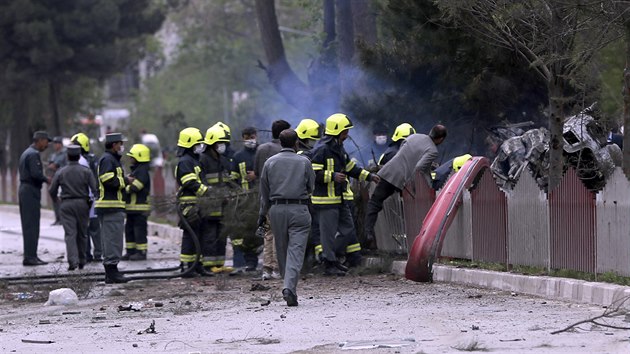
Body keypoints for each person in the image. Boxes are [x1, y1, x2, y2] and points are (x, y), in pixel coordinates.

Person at [311, 114, 380, 275]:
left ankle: (328, 258)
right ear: (336, 131)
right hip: (325, 201)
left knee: (348, 230)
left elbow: (350, 168)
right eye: (345, 131)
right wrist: (332, 176)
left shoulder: (338, 148)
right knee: (327, 235)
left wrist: (370, 176)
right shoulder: (321, 149)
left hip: (340, 198)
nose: (347, 135)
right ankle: (329, 264)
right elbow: (312, 173)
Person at [259, 129, 314, 306]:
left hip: (276, 210)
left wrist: (262, 214)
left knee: (281, 250)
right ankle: (289, 287)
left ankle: (288, 285)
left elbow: (264, 192)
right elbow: (310, 186)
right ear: (296, 143)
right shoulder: (304, 162)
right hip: (299, 209)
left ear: (281, 143)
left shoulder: (269, 163)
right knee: (296, 251)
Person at [364, 125, 447, 241]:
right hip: (403, 180)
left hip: (389, 172)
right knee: (409, 209)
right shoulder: (433, 150)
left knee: (375, 202)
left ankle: (367, 233)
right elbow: (419, 167)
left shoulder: (414, 137)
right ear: (441, 139)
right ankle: (414, 238)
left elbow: (403, 148)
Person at [48, 145, 99, 270]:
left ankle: (72, 262)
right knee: (82, 233)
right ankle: (82, 260)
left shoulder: (61, 171)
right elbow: (95, 189)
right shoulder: (86, 171)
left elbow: (52, 189)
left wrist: (56, 199)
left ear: (67, 156)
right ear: (79, 156)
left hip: (66, 204)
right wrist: (91, 203)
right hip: (83, 204)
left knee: (70, 234)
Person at [254, 119, 291, 280]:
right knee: (279, 233)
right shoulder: (285, 152)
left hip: (264, 196)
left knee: (268, 233)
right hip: (280, 197)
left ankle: (266, 268)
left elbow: (256, 172)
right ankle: (277, 267)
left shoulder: (261, 149)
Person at [199, 125, 234, 274]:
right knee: (209, 236)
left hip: (224, 206)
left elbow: (229, 181)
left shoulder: (224, 161)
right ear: (212, 143)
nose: (223, 146)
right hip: (209, 206)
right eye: (220, 143)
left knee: (221, 235)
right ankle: (208, 265)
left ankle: (219, 265)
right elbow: (201, 182)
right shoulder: (203, 160)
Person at [175, 127, 209, 277]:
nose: (200, 146)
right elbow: (189, 183)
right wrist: (205, 191)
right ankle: (187, 267)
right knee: (190, 234)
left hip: (199, 204)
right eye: (198, 144)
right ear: (189, 144)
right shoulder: (185, 162)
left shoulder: (194, 161)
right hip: (189, 204)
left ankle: (197, 265)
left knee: (200, 234)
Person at [95, 133, 130, 283]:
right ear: (114, 144)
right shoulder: (108, 159)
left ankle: (112, 272)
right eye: (120, 144)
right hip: (111, 206)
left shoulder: (110, 159)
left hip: (113, 206)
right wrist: (126, 180)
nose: (121, 146)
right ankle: (111, 271)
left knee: (112, 239)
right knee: (112, 240)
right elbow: (108, 179)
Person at [230, 126, 261, 274]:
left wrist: (257, 175)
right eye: (247, 137)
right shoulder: (238, 156)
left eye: (252, 136)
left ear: (257, 136)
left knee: (262, 230)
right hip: (245, 200)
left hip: (261, 199)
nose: (250, 139)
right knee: (248, 232)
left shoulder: (262, 152)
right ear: (243, 138)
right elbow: (233, 179)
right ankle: (250, 263)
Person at [19, 131, 52, 266]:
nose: (47, 144)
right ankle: (30, 257)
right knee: (31, 225)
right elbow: (35, 174)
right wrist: (47, 179)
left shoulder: (27, 152)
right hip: (30, 191)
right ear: (40, 140)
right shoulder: (33, 154)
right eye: (46, 141)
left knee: (29, 224)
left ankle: (31, 255)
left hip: (27, 190)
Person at [71, 132, 102, 262]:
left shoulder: (82, 161)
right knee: (90, 228)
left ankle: (91, 253)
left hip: (87, 197)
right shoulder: (92, 159)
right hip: (90, 197)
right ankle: (95, 253)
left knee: (89, 228)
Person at [122, 144, 152, 261]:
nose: (130, 159)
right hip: (132, 208)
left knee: (139, 230)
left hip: (140, 208)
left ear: (139, 157)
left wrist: (125, 188)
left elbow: (136, 187)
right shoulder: (136, 170)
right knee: (129, 229)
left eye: (132, 156)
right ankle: (130, 251)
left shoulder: (142, 171)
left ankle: (141, 252)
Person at [47, 136, 67, 226]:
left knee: (62, 199)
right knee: (55, 199)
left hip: (63, 178)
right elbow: (50, 165)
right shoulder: (53, 155)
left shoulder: (65, 154)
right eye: (54, 144)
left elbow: (62, 165)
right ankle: (57, 218)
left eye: (56, 143)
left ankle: (63, 218)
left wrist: (55, 165)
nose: (55, 146)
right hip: (54, 178)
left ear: (60, 144)